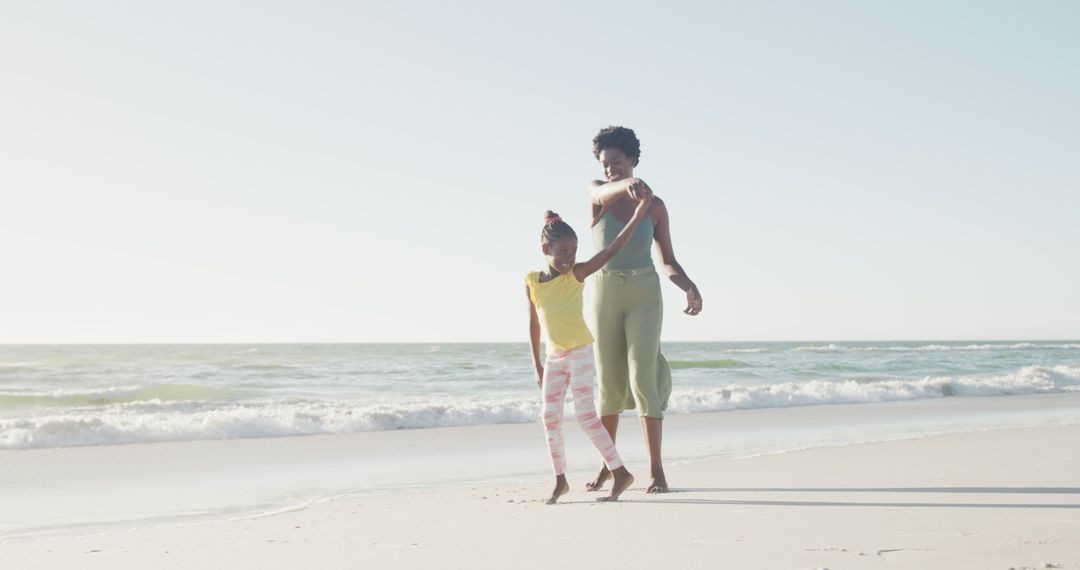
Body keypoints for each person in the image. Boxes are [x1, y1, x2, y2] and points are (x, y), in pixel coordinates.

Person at [585, 126, 703, 494]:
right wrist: (627, 186)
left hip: (645, 294)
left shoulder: (654, 206)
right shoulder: (597, 194)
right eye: (606, 165)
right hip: (605, 291)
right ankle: (609, 466)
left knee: (642, 378)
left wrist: (689, 286)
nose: (611, 170)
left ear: (633, 160)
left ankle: (656, 471)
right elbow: (604, 190)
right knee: (608, 381)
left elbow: (667, 260)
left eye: (617, 163)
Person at [525, 196, 652, 504]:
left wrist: (637, 216)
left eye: (574, 251)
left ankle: (619, 471)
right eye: (563, 251)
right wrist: (538, 365)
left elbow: (609, 251)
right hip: (554, 358)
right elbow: (534, 325)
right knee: (549, 418)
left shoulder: (576, 276)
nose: (569, 258)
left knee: (585, 417)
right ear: (546, 250)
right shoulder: (532, 282)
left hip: (580, 352)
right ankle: (560, 481)